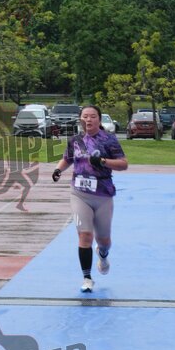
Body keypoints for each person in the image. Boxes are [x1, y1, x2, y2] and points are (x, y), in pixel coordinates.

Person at [52, 105, 128, 293]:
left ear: (99, 120)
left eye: (93, 116)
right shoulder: (75, 140)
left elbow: (123, 164)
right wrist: (58, 169)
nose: (88, 119)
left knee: (104, 240)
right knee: (85, 235)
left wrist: (103, 161)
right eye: (85, 116)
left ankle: (103, 254)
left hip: (103, 194)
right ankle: (87, 278)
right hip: (79, 194)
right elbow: (67, 158)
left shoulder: (109, 140)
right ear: (81, 119)